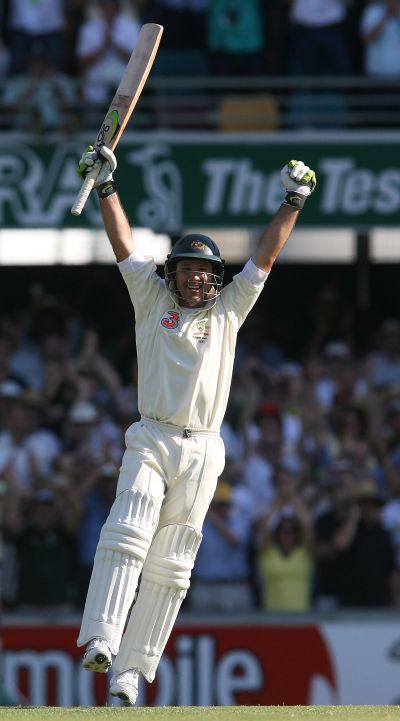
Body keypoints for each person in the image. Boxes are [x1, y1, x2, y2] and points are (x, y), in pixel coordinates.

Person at [75, 144, 316, 705]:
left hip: (206, 448)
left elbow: (264, 259)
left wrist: (294, 201)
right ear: (174, 274)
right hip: (153, 436)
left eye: (205, 272)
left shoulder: (230, 311)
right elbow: (124, 245)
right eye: (187, 270)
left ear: (214, 278)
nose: (196, 281)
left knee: (174, 565)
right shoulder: (149, 299)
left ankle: (132, 674)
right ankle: (101, 639)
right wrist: (108, 189)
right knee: (129, 530)